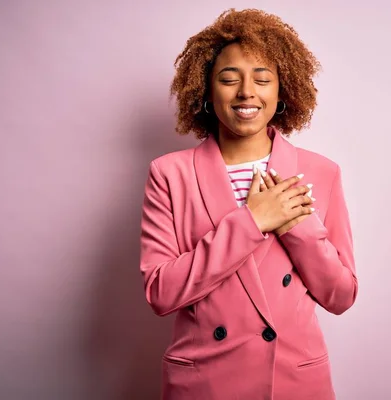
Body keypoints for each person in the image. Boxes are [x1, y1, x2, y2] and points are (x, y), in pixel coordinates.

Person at [139, 8, 358, 400]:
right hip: (204, 383)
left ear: (282, 90)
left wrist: (297, 227)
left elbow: (340, 297)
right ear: (206, 91)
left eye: (262, 79)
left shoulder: (321, 172)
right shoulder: (169, 174)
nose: (246, 92)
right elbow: (160, 292)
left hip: (293, 382)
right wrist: (252, 221)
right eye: (228, 79)